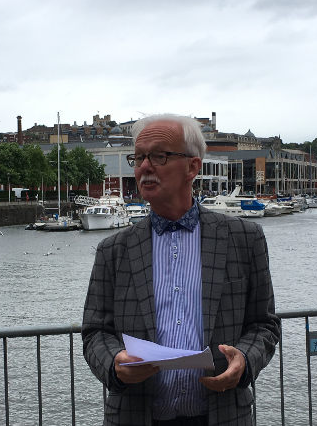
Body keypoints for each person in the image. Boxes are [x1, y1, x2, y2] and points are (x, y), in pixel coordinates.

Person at [82, 114, 280, 426]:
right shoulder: (113, 250)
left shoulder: (245, 239)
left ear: (193, 167)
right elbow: (95, 333)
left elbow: (264, 326)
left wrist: (243, 359)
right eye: (139, 157)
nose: (144, 167)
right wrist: (115, 363)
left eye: (159, 156)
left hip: (223, 415)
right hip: (136, 415)